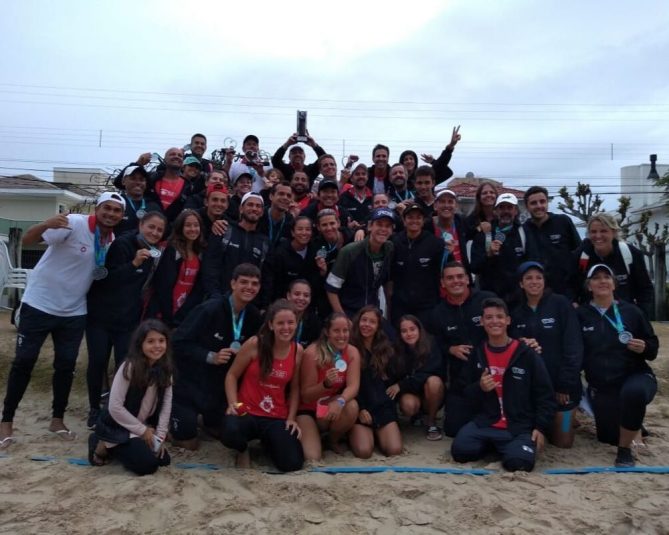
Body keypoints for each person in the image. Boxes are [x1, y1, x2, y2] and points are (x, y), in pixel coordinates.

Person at [0, 192, 125, 449]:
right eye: (107, 208)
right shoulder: (75, 223)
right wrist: (46, 223)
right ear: (97, 208)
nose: (110, 214)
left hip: (74, 311)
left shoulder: (111, 240)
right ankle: (6, 421)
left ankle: (57, 420)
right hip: (39, 304)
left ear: (122, 216)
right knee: (24, 362)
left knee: (66, 366)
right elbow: (28, 238)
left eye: (116, 211)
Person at [451, 298, 556, 472]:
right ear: (482, 322)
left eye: (499, 317)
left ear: (508, 320)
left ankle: (509, 448)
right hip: (486, 423)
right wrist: (480, 387)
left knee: (519, 464)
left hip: (518, 426)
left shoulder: (526, 353)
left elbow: (545, 394)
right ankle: (496, 446)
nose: (494, 321)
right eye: (489, 317)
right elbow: (463, 392)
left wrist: (540, 427)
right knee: (461, 452)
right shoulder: (477, 353)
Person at [85, 211, 167, 428]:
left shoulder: (154, 253)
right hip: (101, 316)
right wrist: (133, 264)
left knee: (125, 367)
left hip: (128, 319)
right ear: (141, 224)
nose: (154, 232)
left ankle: (115, 410)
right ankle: (94, 409)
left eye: (159, 230)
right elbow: (105, 279)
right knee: (98, 362)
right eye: (151, 227)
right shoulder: (122, 244)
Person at [170, 264, 263, 450]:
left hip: (218, 390)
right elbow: (177, 342)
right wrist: (209, 356)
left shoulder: (253, 316)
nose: (249, 287)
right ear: (233, 283)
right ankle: (167, 423)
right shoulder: (209, 309)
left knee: (225, 433)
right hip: (190, 385)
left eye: (254, 283)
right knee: (189, 443)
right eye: (244, 282)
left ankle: (205, 420)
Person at [577, 264, 659, 467]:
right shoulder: (581, 315)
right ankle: (635, 425)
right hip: (603, 386)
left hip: (636, 376)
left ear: (614, 284)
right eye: (596, 278)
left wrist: (644, 347)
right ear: (589, 286)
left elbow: (653, 348)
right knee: (607, 437)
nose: (602, 281)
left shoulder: (632, 311)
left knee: (633, 393)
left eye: (607, 277)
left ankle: (624, 452)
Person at [221, 300, 304, 472]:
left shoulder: (298, 350)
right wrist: (233, 404)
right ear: (271, 325)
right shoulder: (255, 344)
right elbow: (231, 375)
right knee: (230, 431)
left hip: (275, 415)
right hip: (246, 409)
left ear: (296, 324)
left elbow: (295, 388)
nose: (286, 327)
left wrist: (291, 418)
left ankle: (269, 443)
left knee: (292, 463)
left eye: (290, 322)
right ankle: (242, 450)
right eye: (280, 323)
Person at [510, 261, 583, 448]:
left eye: (538, 277)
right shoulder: (515, 312)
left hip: (562, 388)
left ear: (544, 281)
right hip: (533, 388)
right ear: (521, 283)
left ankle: (569, 417)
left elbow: (573, 347)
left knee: (563, 442)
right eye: (528, 278)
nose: (534, 282)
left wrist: (564, 385)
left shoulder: (561, 304)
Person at [88, 319, 173, 476]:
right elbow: (115, 407)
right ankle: (102, 443)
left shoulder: (165, 369)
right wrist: (143, 431)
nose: (157, 346)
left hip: (140, 425)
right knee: (147, 466)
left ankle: (119, 446)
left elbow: (167, 403)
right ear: (140, 344)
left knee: (163, 459)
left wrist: (159, 437)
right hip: (118, 425)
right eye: (151, 341)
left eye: (161, 341)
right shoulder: (129, 367)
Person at [424, 262, 496, 437]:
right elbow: (432, 344)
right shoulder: (438, 313)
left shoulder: (486, 301)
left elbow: (505, 328)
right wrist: (450, 349)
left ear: (467, 279)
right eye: (450, 278)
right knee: (453, 430)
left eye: (459, 276)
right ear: (442, 283)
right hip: (461, 381)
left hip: (492, 375)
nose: (455, 281)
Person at [298, 313, 361, 460]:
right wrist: (325, 384)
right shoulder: (313, 352)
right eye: (336, 331)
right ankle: (314, 436)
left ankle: (332, 439)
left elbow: (353, 386)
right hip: (308, 410)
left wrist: (340, 401)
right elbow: (306, 396)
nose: (342, 335)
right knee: (312, 457)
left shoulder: (352, 352)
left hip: (329, 406)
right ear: (327, 332)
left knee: (351, 406)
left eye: (345, 331)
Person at [574, 213, 654, 318]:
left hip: (625, 317)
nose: (598, 236)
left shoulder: (630, 254)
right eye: (593, 232)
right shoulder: (581, 255)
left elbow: (645, 289)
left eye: (603, 231)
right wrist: (574, 305)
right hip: (592, 318)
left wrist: (641, 317)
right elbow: (571, 284)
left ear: (614, 232)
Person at [349, 306, 403, 458]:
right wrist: (359, 408)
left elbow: (396, 376)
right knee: (364, 451)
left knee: (394, 450)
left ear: (378, 326)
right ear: (357, 321)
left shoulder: (386, 349)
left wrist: (399, 385)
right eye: (364, 320)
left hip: (382, 406)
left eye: (372, 322)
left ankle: (379, 434)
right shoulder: (349, 347)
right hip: (360, 406)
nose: (367, 324)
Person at [470, 193, 537, 306]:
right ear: (495, 211)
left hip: (519, 299)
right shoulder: (485, 234)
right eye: (502, 207)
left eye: (509, 207)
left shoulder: (524, 233)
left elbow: (532, 264)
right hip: (489, 298)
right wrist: (488, 255)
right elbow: (474, 267)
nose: (506, 211)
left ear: (516, 211)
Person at [326, 207, 395, 318]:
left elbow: (387, 283)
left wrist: (390, 314)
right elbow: (331, 288)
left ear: (392, 230)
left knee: (391, 334)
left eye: (387, 226)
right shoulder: (349, 252)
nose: (383, 229)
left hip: (373, 312)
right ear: (370, 226)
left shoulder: (390, 249)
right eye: (379, 224)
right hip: (348, 311)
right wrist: (342, 318)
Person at [201, 191, 269, 299]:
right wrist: (214, 295)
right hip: (218, 298)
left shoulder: (265, 242)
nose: (254, 209)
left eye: (258, 206)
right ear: (241, 209)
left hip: (247, 303)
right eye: (250, 205)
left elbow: (266, 277)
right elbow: (210, 265)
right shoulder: (223, 229)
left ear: (262, 212)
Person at [388, 315, 445, 440]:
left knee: (434, 381)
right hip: (410, 392)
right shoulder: (395, 350)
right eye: (404, 331)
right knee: (408, 405)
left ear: (419, 329)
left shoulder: (431, 343)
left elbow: (432, 372)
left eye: (412, 329)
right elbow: (395, 376)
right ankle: (417, 415)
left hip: (430, 391)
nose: (409, 334)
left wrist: (402, 385)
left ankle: (431, 422)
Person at [147, 209, 206, 328]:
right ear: (180, 227)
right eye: (188, 225)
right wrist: (168, 317)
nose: (193, 229)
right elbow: (163, 286)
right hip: (163, 313)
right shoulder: (172, 250)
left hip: (183, 313)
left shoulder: (200, 252)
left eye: (196, 225)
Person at [387, 202, 443, 326]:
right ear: (404, 220)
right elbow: (389, 275)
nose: (414, 221)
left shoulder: (435, 243)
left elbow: (442, 272)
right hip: (400, 305)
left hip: (427, 305)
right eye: (410, 217)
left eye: (418, 217)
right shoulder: (394, 242)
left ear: (423, 221)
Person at [522, 186, 581, 300]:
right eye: (534, 203)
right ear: (527, 206)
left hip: (566, 293)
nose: (539, 206)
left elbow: (579, 253)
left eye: (542, 201)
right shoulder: (523, 230)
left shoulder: (563, 221)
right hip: (537, 295)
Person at [260, 216, 319, 309]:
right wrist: (266, 306)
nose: (304, 233)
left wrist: (322, 272)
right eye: (300, 229)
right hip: (282, 304)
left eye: (308, 229)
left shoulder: (315, 251)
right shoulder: (280, 253)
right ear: (292, 232)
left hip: (306, 305)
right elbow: (271, 282)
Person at [114, 165, 162, 237]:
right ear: (123, 181)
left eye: (142, 179)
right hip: (119, 246)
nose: (138, 182)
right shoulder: (116, 203)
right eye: (133, 178)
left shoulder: (154, 207)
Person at [257, 181, 295, 250]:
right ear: (271, 196)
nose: (285, 198)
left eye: (288, 196)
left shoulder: (291, 223)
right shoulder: (258, 216)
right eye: (281, 194)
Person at [286, 279, 321, 348]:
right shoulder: (278, 317)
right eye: (297, 294)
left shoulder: (314, 322)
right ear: (288, 296)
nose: (301, 298)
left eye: (306, 295)